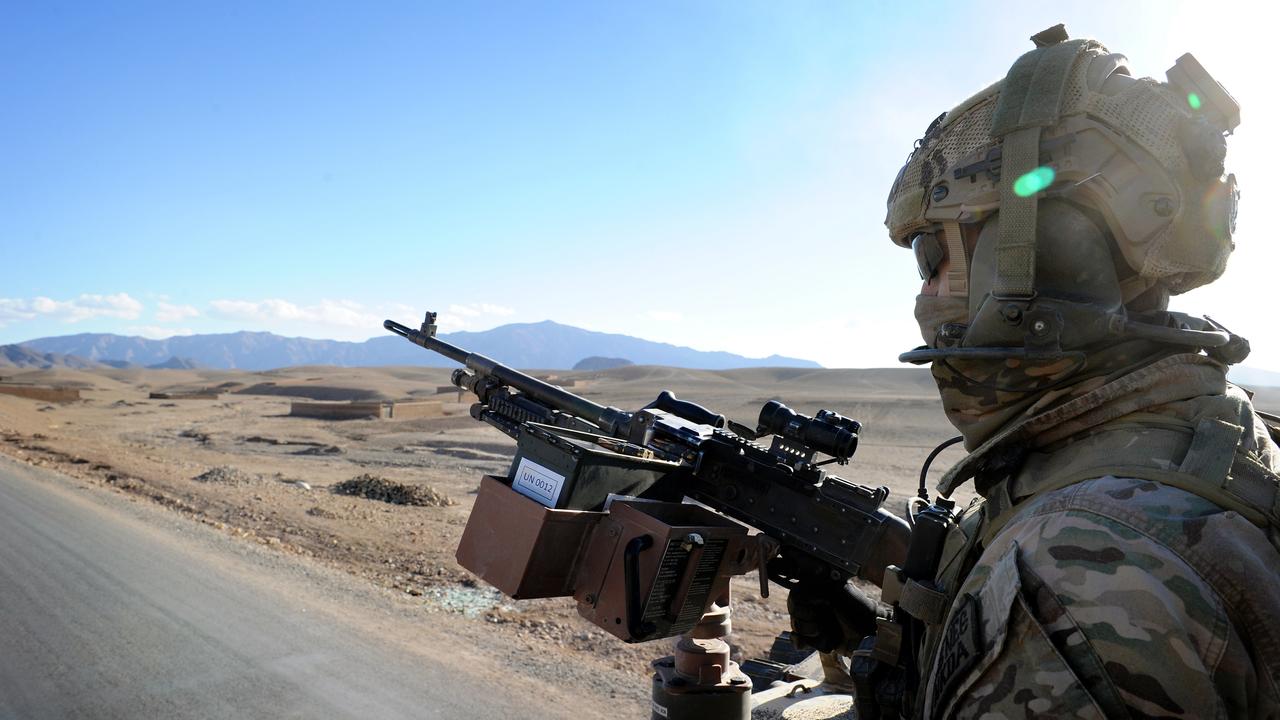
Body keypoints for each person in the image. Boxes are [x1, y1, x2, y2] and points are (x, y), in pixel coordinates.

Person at [788, 25, 1280, 719]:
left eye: (933, 256)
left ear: (1046, 248)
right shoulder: (1209, 434)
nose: (924, 295)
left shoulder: (1070, 570)